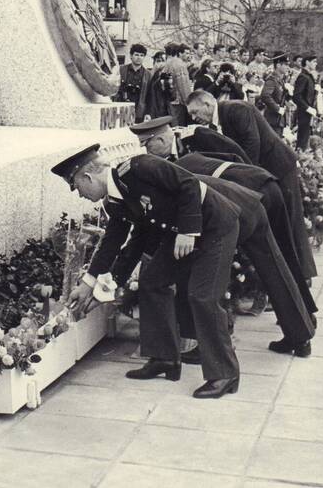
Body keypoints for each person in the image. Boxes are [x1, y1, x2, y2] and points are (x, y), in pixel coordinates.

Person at [57, 146, 241, 398]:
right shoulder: (115, 201)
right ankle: (165, 359)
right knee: (152, 282)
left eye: (77, 187)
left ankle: (225, 374)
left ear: (88, 177)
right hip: (178, 233)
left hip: (213, 225)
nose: (80, 195)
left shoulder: (140, 167)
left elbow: (189, 184)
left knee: (203, 296)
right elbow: (115, 242)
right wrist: (91, 283)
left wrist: (189, 231)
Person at [131, 117, 318, 353]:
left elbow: (234, 155)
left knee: (208, 267)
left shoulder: (180, 161)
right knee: (275, 266)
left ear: (161, 139)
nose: (145, 151)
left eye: (147, 144)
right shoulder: (179, 160)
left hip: (249, 196)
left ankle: (209, 339)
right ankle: (300, 336)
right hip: (257, 190)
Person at [185, 91, 319, 282]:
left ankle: (301, 277)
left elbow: (251, 143)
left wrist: (248, 179)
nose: (194, 117)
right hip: (266, 170)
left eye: (195, 112)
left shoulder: (236, 109)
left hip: (279, 168)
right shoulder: (220, 117)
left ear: (207, 104)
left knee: (289, 221)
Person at [292, 56, 318, 151]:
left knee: (305, 138)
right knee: (302, 139)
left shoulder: (309, 76)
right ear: (307, 62)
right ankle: (299, 159)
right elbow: (297, 96)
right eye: (314, 61)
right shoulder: (303, 76)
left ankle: (301, 158)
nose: (316, 64)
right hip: (303, 112)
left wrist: (315, 91)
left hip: (308, 112)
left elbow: (309, 95)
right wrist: (307, 108)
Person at [259, 57, 289, 131]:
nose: (287, 67)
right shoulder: (272, 79)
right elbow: (265, 95)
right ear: (278, 65)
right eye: (285, 64)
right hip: (272, 118)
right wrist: (277, 108)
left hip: (278, 119)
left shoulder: (280, 79)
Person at [116, 43, 148, 110]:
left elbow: (150, 96)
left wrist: (148, 113)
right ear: (131, 56)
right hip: (121, 108)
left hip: (139, 111)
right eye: (136, 55)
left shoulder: (148, 75)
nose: (139, 57)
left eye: (142, 55)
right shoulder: (121, 70)